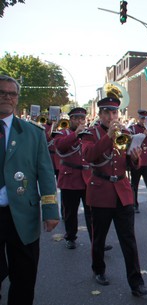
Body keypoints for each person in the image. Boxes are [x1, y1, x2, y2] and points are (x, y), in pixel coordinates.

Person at [81, 97, 147, 297]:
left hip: (122, 191)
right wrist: (108, 137)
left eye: (114, 113)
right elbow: (89, 156)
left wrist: (135, 158)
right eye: (107, 113)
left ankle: (136, 282)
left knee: (129, 240)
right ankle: (99, 269)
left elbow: (130, 164)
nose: (112, 117)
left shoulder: (127, 133)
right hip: (100, 190)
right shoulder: (90, 134)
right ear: (100, 114)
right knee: (99, 236)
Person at [0, 75, 59, 305]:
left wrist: (51, 210)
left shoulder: (33, 134)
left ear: (17, 99)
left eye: (11, 93)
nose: (6, 97)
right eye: (1, 92)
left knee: (24, 278)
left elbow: (45, 174)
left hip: (23, 215)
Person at [53, 107, 92, 249]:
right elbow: (61, 147)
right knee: (70, 212)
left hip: (86, 177)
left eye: (83, 118)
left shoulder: (88, 134)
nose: (81, 121)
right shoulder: (62, 133)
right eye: (78, 119)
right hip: (70, 178)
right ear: (72, 120)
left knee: (91, 212)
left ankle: (96, 240)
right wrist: (76, 134)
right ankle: (70, 236)